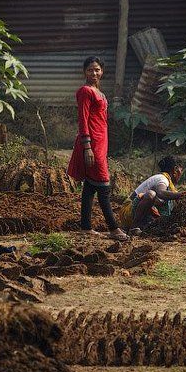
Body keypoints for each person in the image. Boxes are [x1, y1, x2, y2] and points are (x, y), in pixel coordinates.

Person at [67, 56, 129, 241]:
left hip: (101, 143)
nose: (94, 73)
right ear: (84, 72)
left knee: (90, 186)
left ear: (102, 71)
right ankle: (114, 228)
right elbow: (83, 119)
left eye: (97, 70)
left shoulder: (99, 92)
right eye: (90, 70)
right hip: (92, 143)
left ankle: (85, 227)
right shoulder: (85, 91)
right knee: (103, 185)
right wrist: (87, 147)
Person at [119, 156, 183, 235]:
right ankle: (134, 227)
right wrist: (182, 195)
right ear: (175, 169)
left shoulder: (168, 183)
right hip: (128, 212)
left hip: (136, 214)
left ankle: (144, 227)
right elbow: (161, 193)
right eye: (181, 170)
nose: (181, 173)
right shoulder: (162, 179)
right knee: (151, 195)